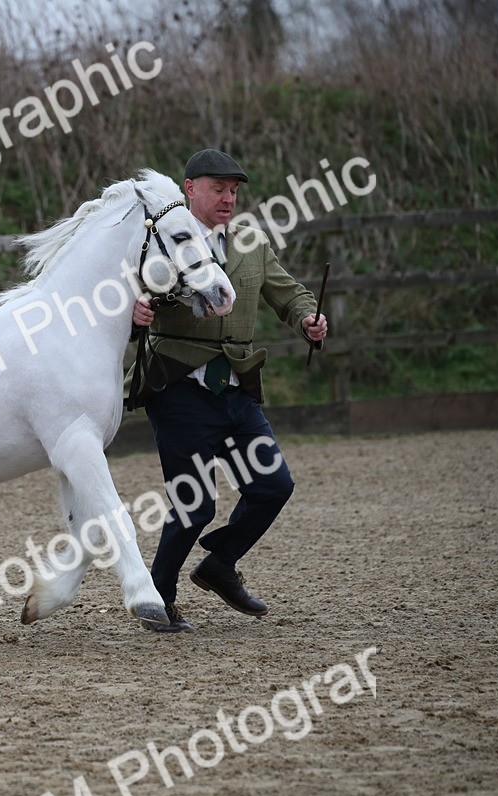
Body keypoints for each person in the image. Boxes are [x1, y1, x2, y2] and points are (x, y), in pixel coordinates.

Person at [131, 149, 328, 633]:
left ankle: (219, 565)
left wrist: (307, 318)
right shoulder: (160, 242)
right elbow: (120, 295)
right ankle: (159, 597)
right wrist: (133, 311)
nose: (228, 199)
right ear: (189, 188)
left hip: (236, 387)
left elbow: (287, 291)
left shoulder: (251, 243)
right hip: (178, 387)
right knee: (195, 502)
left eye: (234, 191)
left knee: (273, 486)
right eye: (218, 189)